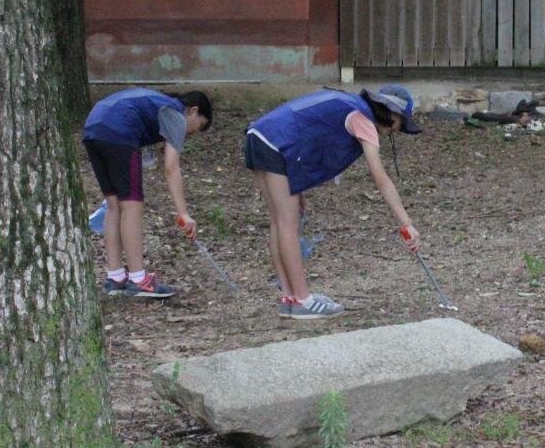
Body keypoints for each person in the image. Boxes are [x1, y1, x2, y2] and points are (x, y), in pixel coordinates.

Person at [245, 85, 423, 320]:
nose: (396, 130)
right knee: (287, 224)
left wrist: (300, 190)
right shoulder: (363, 120)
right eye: (400, 123)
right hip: (277, 144)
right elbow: (379, 176)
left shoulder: (348, 105)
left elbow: (306, 134)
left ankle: (289, 298)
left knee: (279, 222)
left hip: (259, 137)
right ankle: (302, 300)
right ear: (391, 113)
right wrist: (406, 222)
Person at [83, 87, 213, 298]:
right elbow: (171, 168)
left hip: (93, 128)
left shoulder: (157, 105)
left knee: (113, 204)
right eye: (199, 126)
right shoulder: (175, 114)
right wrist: (184, 213)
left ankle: (115, 277)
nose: (193, 133)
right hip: (121, 130)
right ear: (193, 111)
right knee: (131, 204)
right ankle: (138, 279)